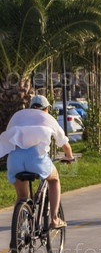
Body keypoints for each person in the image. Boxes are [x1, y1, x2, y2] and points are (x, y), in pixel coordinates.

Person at [0, 95, 74, 228]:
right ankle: (55, 219)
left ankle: (20, 229)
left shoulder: (18, 115)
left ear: (30, 107)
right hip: (36, 159)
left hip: (14, 160)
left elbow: (9, 136)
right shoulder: (47, 118)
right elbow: (64, 143)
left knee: (22, 197)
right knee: (54, 180)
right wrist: (69, 156)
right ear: (46, 109)